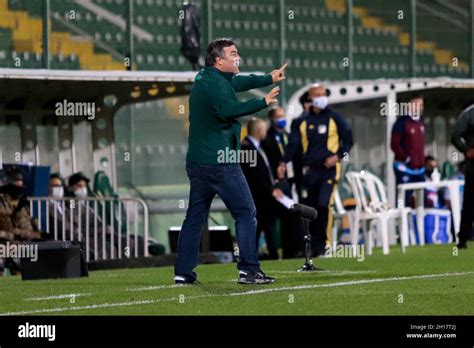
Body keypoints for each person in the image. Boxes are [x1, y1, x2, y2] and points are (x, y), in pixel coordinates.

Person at [175, 37, 287, 285]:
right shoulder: (215, 84)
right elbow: (227, 109)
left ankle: (183, 273)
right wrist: (262, 102)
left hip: (198, 163)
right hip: (221, 162)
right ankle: (248, 270)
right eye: (233, 53)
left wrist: (269, 78)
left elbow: (240, 81)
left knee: (194, 217)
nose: (238, 57)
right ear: (218, 60)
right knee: (246, 213)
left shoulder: (211, 79)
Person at [284, 84, 353, 257]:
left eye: (324, 94)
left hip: (329, 171)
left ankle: (325, 244)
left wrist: (337, 156)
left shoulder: (335, 117)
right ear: (311, 98)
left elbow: (348, 140)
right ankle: (312, 246)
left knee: (324, 205)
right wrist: (283, 163)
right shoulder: (301, 121)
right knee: (310, 209)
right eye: (318, 95)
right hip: (309, 172)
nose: (322, 97)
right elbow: (292, 146)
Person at [241, 118, 285, 260]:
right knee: (258, 227)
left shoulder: (258, 147)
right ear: (259, 131)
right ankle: (250, 257)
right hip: (257, 198)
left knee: (266, 227)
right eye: (264, 129)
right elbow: (254, 176)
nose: (266, 132)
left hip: (264, 197)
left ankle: (270, 255)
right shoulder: (246, 148)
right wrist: (271, 190)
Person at [390, 95, 426, 206]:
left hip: (419, 169)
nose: (419, 108)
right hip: (404, 168)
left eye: (421, 105)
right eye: (416, 104)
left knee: (421, 198)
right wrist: (406, 158)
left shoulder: (420, 123)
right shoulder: (401, 123)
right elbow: (394, 145)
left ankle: (419, 221)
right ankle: (400, 220)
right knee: (403, 197)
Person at [451, 104, 474, 249]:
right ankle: (463, 239)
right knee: (470, 203)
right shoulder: (469, 113)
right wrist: (467, 150)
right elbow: (455, 137)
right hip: (473, 167)